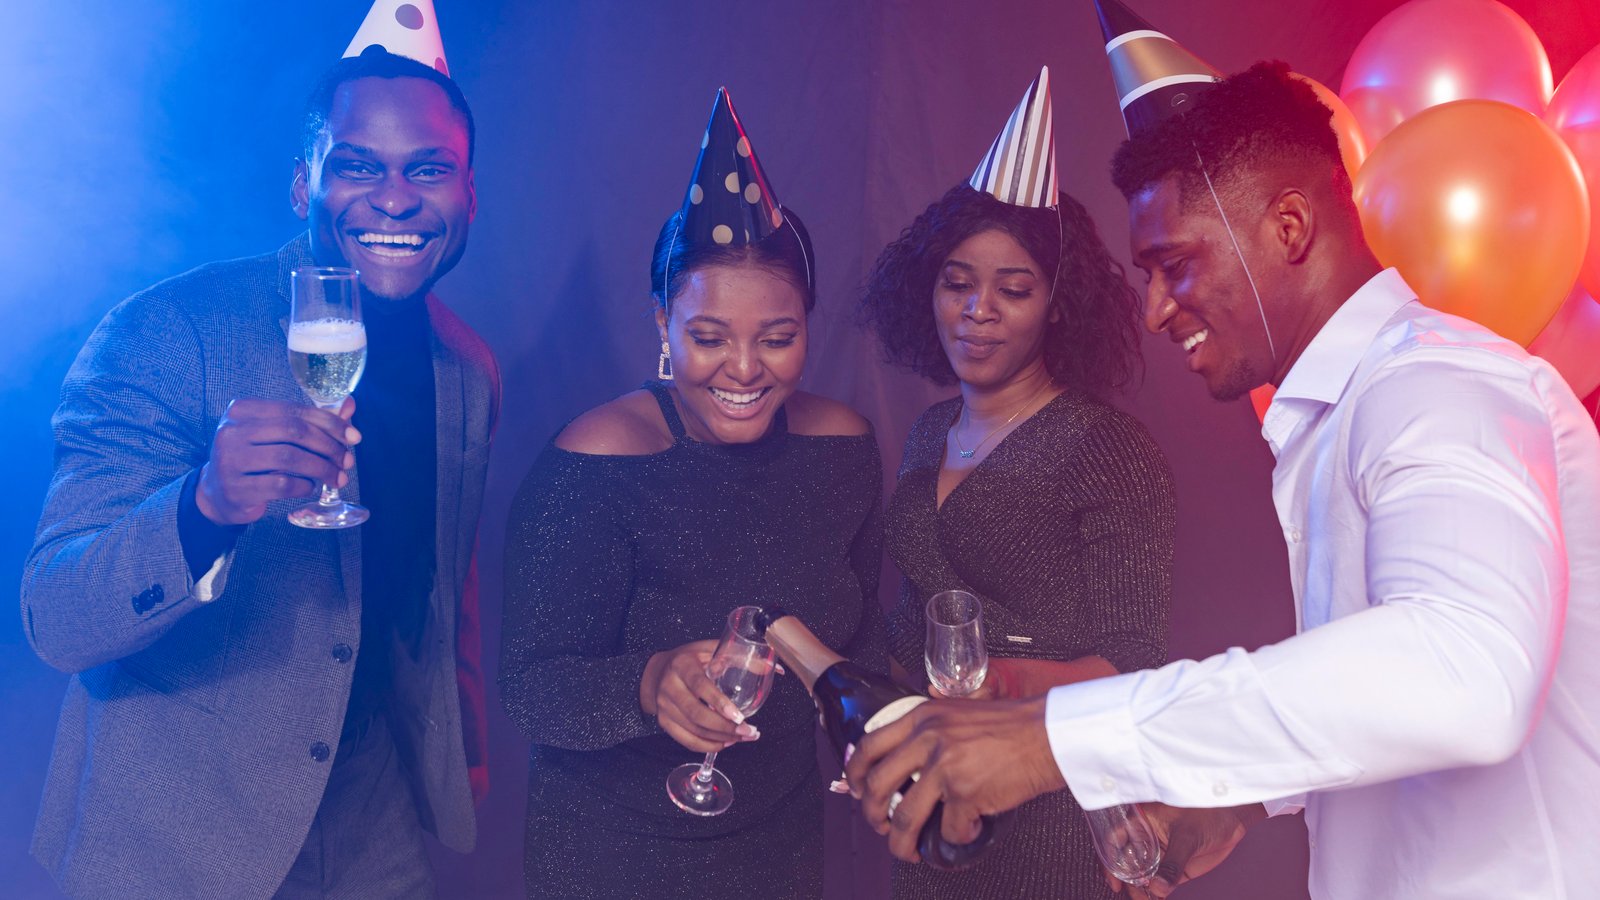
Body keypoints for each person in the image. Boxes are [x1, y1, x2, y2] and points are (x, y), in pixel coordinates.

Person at [845, 60, 1600, 900]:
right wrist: (1250, 799)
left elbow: (1466, 676)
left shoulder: (1438, 384)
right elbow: (1381, 693)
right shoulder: (1336, 417)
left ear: (1287, 226)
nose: (1157, 309)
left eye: (1176, 263)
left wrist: (1048, 740)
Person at [19, 7, 496, 895]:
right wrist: (204, 508)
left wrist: (453, 747)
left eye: (427, 169)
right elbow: (57, 616)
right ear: (300, 185)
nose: (394, 198)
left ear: (468, 195)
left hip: (368, 808)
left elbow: (439, 583)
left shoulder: (466, 367)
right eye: (356, 166)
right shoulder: (168, 332)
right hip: (184, 827)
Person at [499, 87, 885, 900]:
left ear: (808, 326)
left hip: (778, 844)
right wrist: (646, 685)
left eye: (777, 338)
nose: (744, 370)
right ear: (663, 325)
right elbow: (532, 689)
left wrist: (888, 731)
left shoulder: (842, 450)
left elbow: (860, 639)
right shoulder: (596, 462)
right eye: (709, 337)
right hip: (611, 854)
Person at [858, 67, 1173, 900]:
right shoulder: (929, 431)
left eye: (1014, 288)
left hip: (1051, 799)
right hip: (933, 794)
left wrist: (995, 682)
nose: (978, 311)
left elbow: (1138, 668)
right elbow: (910, 612)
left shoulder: (1108, 449)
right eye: (958, 283)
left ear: (1058, 305)